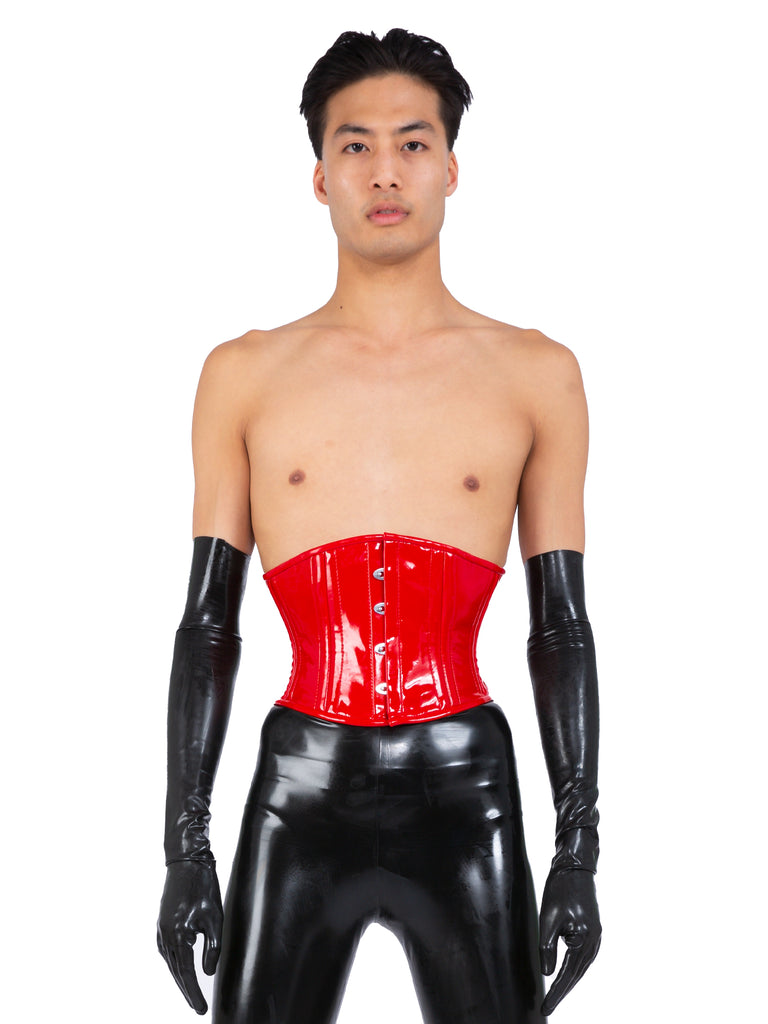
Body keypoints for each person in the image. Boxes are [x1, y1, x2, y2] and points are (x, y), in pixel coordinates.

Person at [157, 27, 601, 1024]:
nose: (385, 171)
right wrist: (186, 845)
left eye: (412, 143)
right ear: (320, 176)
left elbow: (561, 627)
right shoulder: (242, 375)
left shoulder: (539, 374)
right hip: (299, 794)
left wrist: (578, 849)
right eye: (355, 145)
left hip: (468, 792)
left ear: (451, 168)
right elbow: (208, 625)